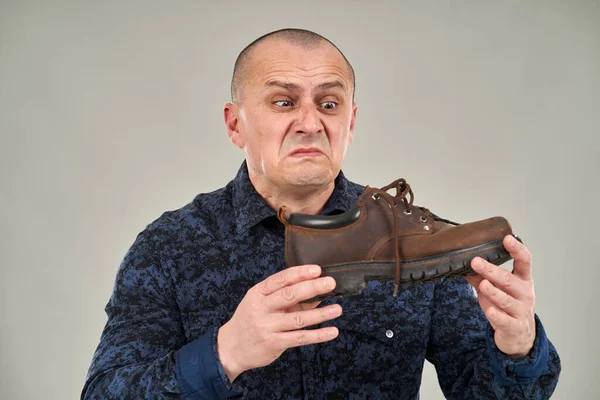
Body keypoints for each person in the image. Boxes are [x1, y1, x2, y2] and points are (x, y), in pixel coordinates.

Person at [81, 28, 561, 399]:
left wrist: (515, 346)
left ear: (350, 121)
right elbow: (104, 392)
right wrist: (225, 352)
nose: (310, 122)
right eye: (283, 102)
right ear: (235, 124)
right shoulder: (171, 246)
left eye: (328, 104)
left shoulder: (411, 245)